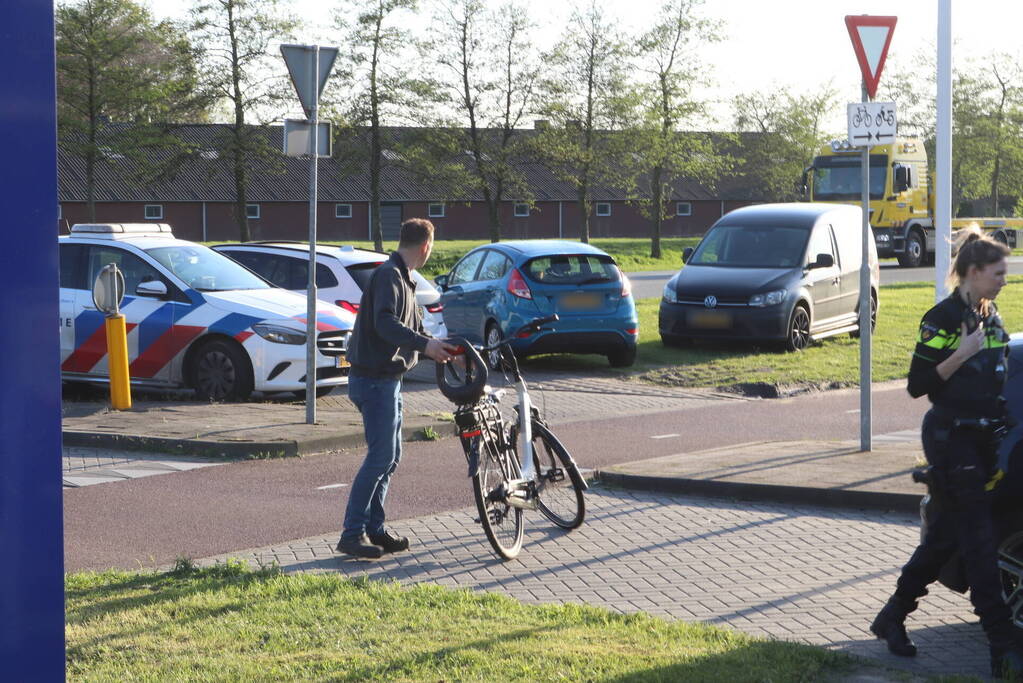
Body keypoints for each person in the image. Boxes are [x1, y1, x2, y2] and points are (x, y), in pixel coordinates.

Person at [870, 228, 1023, 679]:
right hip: (950, 437)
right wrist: (960, 353)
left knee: (946, 539)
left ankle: (892, 617)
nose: (1004, 280)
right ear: (973, 273)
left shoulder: (991, 314)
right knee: (978, 540)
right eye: (998, 273)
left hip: (983, 438)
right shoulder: (941, 318)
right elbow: (919, 386)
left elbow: (998, 379)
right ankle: (1002, 645)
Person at [336, 218, 458, 559]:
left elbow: (418, 331)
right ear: (426, 246)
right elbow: (385, 322)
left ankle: (375, 529)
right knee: (379, 458)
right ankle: (351, 534)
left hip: (387, 381)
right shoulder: (389, 276)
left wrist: (447, 352)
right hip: (373, 381)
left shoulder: (406, 280)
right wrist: (425, 344)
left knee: (391, 458)